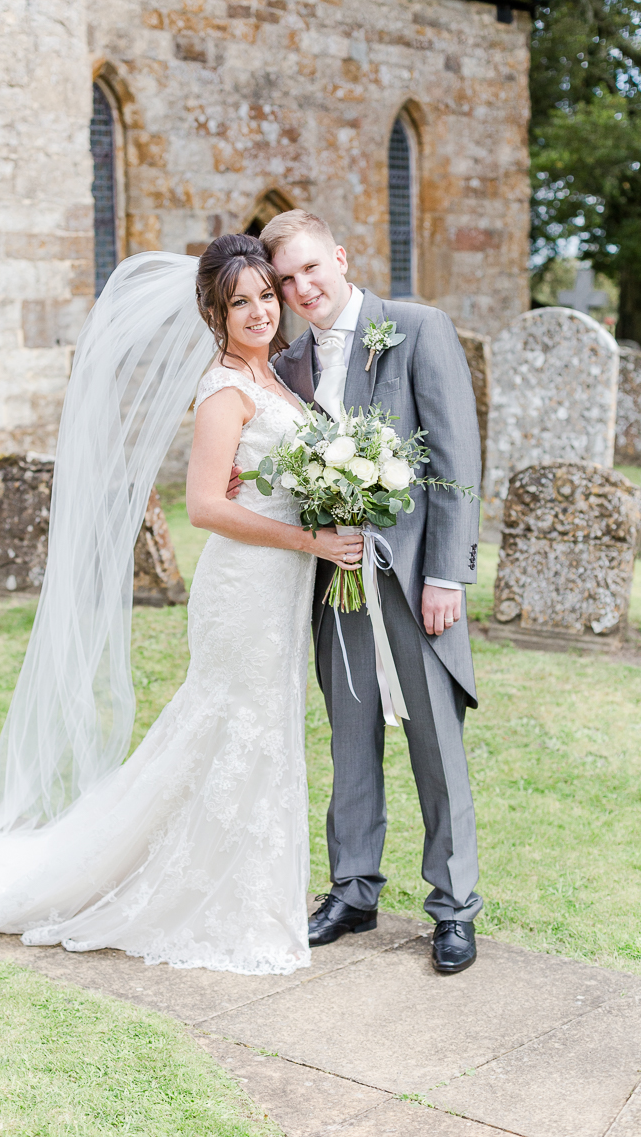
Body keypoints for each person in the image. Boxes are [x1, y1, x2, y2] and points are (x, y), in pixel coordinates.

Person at [0, 234, 362, 977]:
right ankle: (213, 896)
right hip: (247, 584)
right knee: (234, 727)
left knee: (257, 729)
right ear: (213, 314)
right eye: (237, 303)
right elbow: (204, 509)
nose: (256, 312)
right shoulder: (226, 386)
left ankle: (246, 885)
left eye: (262, 296)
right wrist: (311, 540)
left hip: (278, 584)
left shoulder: (276, 375)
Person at [232, 209, 483, 974]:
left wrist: (447, 574)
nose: (302, 287)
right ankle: (353, 890)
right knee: (349, 738)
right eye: (286, 279)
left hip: (414, 585)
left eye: (312, 268)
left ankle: (453, 907)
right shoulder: (291, 360)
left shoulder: (415, 327)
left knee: (435, 747)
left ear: (339, 257)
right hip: (333, 583)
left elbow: (454, 455)